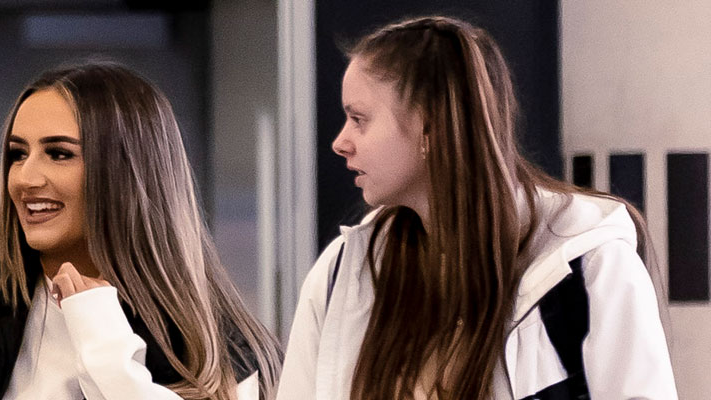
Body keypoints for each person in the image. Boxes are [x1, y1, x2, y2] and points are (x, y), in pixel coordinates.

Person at [277, 15, 677, 399]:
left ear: (429, 126)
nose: (341, 142)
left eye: (359, 119)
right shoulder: (342, 274)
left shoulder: (586, 268)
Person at [0, 62, 278, 399]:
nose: (25, 178)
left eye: (59, 154)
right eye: (18, 154)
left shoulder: (221, 345)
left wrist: (103, 338)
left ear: (126, 173)